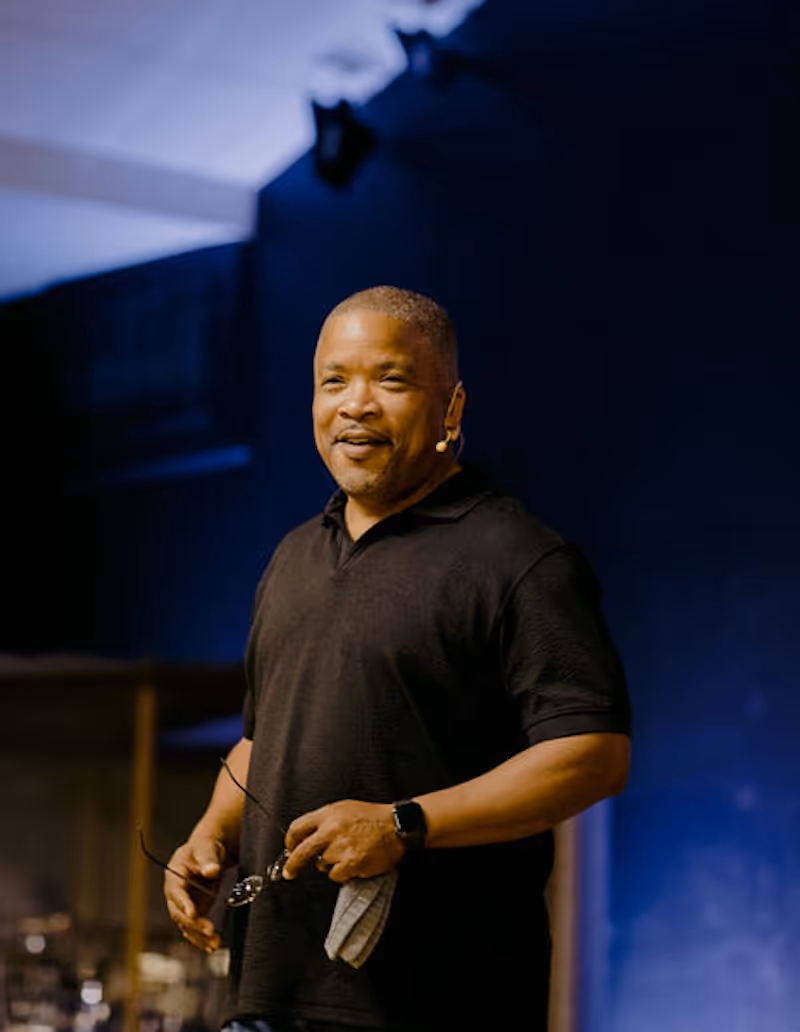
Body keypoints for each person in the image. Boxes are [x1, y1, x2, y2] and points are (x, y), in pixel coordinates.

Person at [163, 286, 631, 1032]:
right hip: (266, 997)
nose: (356, 404)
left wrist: (402, 823)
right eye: (334, 380)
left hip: (440, 1002)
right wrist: (211, 834)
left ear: (451, 409)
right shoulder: (293, 557)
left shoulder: (519, 559)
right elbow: (265, 737)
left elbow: (595, 754)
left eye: (391, 379)